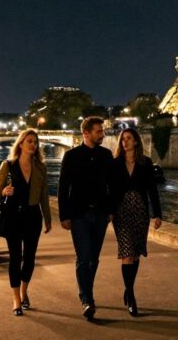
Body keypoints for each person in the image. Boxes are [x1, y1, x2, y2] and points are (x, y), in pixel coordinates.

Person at [0, 129, 52, 316]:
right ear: (20, 144)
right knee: (15, 257)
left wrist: (48, 218)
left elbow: (44, 195)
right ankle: (16, 298)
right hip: (13, 216)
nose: (33, 145)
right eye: (29, 141)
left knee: (29, 257)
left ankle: (23, 291)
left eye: (35, 142)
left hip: (33, 216)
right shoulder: (8, 165)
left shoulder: (40, 168)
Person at [58, 116, 113, 320]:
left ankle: (87, 293)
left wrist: (111, 210)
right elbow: (64, 188)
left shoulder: (106, 155)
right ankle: (87, 299)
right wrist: (64, 215)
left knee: (94, 258)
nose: (103, 134)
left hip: (100, 214)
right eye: (99, 131)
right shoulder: (71, 156)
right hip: (79, 214)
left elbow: (111, 187)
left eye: (102, 131)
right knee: (84, 258)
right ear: (86, 133)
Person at [110, 128, 162, 316]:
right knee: (126, 252)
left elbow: (152, 190)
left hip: (140, 211)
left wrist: (157, 214)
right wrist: (110, 211)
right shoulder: (115, 163)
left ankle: (128, 288)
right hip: (121, 213)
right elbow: (111, 190)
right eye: (122, 139)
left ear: (136, 141)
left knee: (137, 253)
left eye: (129, 138)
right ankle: (131, 295)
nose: (125, 142)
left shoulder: (145, 163)